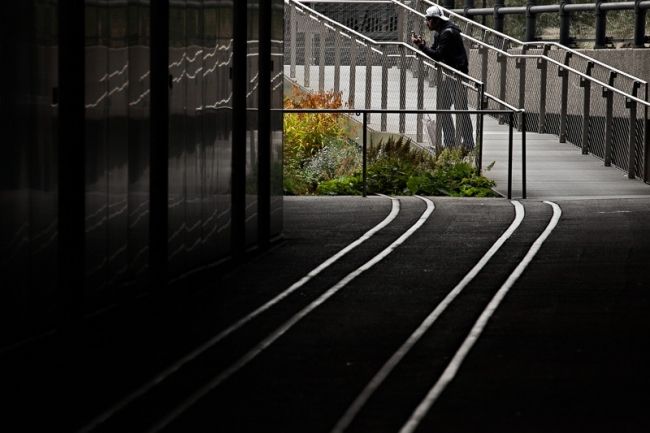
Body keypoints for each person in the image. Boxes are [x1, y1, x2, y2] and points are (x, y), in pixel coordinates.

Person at [412, 4, 474, 150]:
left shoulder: (448, 33)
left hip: (457, 75)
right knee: (444, 107)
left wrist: (421, 47)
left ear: (436, 20)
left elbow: (438, 56)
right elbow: (434, 50)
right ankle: (450, 143)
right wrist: (422, 45)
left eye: (428, 20)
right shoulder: (439, 32)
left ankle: (469, 144)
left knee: (461, 109)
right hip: (449, 74)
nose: (426, 23)